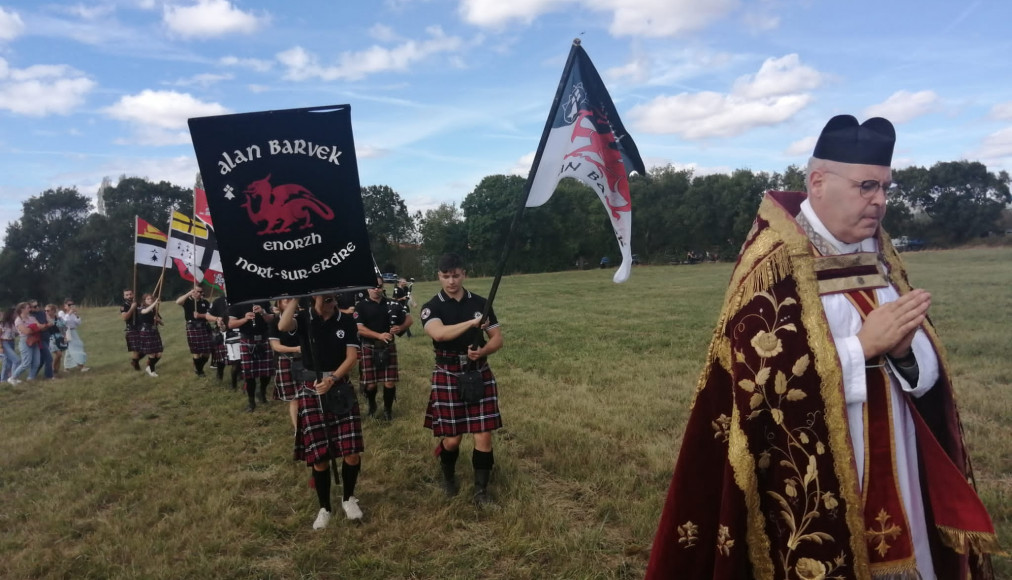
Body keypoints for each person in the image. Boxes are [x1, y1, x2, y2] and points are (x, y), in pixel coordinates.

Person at [645, 115, 997, 579]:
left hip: (899, 459)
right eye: (867, 186)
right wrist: (862, 349)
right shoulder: (775, 260)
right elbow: (759, 385)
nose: (880, 201)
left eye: (886, 188)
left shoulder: (880, 254)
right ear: (817, 182)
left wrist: (905, 353)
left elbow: (924, 365)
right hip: (809, 472)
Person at [419, 253, 503, 504]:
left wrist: (483, 350)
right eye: (446, 276)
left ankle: (481, 492)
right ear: (439, 277)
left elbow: (497, 338)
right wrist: (471, 323)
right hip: (448, 373)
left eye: (455, 275)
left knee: (483, 434)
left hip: (478, 372)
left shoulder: (480, 303)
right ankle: (448, 476)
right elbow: (440, 334)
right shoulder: (431, 307)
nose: (451, 281)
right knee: (453, 439)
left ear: (464, 274)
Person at [278, 293, 365, 529]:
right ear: (314, 298)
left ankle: (349, 498)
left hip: (339, 388)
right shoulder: (304, 319)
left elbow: (352, 356)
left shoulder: (345, 321)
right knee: (320, 456)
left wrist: (333, 378)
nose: (331, 302)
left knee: (352, 451)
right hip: (311, 388)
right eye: (325, 299)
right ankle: (324, 507)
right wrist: (297, 297)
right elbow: (283, 325)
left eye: (333, 298)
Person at [355, 278, 412, 420]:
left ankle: (388, 410)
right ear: (368, 288)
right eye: (373, 286)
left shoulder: (392, 303)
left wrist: (402, 327)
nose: (376, 289)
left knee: (389, 382)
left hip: (388, 347)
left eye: (379, 286)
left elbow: (409, 319)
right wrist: (379, 335)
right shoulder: (361, 306)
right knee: (370, 384)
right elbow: (360, 329)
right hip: (369, 346)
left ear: (382, 287)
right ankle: (372, 404)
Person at [228, 300, 275, 412]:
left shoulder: (263, 301)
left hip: (264, 338)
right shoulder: (236, 304)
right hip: (247, 339)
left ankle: (262, 393)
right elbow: (230, 324)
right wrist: (245, 319)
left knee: (267, 372)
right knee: (249, 375)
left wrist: (263, 312)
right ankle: (251, 402)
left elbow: (271, 319)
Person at [269, 297, 302, 429]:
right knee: (294, 398)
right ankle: (297, 429)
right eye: (285, 300)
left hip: (305, 360)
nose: (288, 301)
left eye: (291, 299)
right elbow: (276, 346)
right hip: (286, 360)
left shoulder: (302, 318)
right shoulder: (274, 321)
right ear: (279, 304)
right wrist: (297, 349)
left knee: (310, 394)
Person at [175, 287, 213, 377]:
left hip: (204, 327)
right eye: (197, 291)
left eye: (201, 291)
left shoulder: (205, 302)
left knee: (207, 351)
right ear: (192, 292)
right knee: (196, 351)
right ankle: (200, 371)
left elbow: (210, 315)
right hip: (193, 327)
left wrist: (201, 316)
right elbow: (178, 302)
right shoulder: (187, 301)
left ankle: (198, 367)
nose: (199, 293)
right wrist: (189, 293)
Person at [13, 302, 45, 382]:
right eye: (28, 308)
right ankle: (13, 377)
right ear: (22, 309)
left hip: (35, 340)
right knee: (26, 363)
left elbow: (40, 326)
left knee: (36, 362)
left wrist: (35, 327)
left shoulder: (32, 318)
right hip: (25, 341)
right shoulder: (18, 320)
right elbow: (26, 331)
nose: (30, 309)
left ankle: (31, 378)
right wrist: (35, 327)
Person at [136, 294, 163, 377]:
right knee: (152, 353)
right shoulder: (141, 308)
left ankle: (149, 367)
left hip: (154, 331)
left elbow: (161, 323)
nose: (150, 300)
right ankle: (152, 371)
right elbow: (145, 311)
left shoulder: (154, 310)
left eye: (151, 298)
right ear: (144, 301)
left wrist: (158, 320)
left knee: (159, 354)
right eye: (148, 299)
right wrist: (155, 302)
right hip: (146, 332)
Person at [60, 300, 89, 372]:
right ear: (65, 306)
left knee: (70, 349)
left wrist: (76, 314)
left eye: (72, 305)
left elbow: (78, 323)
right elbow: (63, 322)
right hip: (66, 331)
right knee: (75, 348)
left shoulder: (73, 314)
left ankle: (66, 367)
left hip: (73, 331)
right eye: (69, 305)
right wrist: (69, 313)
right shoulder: (62, 313)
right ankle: (81, 366)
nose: (71, 306)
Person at [28, 301, 54, 379]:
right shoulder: (31, 316)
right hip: (39, 339)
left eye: (38, 305)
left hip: (46, 337)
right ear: (30, 308)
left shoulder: (42, 312)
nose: (37, 307)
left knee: (42, 359)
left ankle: (32, 375)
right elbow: (39, 327)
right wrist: (46, 325)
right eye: (35, 306)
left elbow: (51, 322)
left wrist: (44, 326)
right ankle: (49, 376)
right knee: (49, 358)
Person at [120, 289, 143, 370]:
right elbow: (125, 317)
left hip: (142, 327)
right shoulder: (124, 306)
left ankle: (134, 361)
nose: (129, 296)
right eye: (127, 295)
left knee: (146, 348)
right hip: (132, 329)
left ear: (133, 294)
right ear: (124, 296)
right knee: (136, 349)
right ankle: (136, 366)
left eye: (130, 294)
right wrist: (132, 308)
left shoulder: (138, 303)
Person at [44, 304, 67, 375]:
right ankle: (52, 370)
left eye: (48, 310)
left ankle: (56, 372)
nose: (46, 312)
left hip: (59, 337)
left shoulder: (58, 319)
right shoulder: (45, 320)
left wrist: (65, 336)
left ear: (53, 311)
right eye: (45, 311)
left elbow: (63, 328)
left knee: (60, 355)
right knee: (59, 354)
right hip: (50, 338)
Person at [2, 307, 22, 384]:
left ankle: (3, 379)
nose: (16, 315)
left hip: (11, 342)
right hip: (5, 342)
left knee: (7, 362)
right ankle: (13, 378)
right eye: (15, 314)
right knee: (16, 360)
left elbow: (16, 333)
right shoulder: (3, 323)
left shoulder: (13, 323)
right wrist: (0, 346)